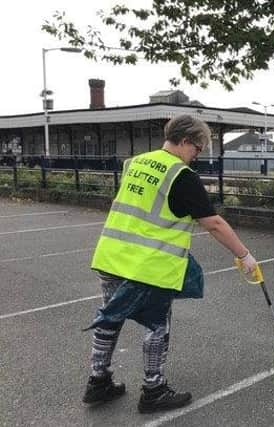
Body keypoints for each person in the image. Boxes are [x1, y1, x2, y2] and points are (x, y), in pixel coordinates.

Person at [82, 115, 258, 412]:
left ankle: (98, 382)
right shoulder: (181, 175)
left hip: (112, 257)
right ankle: (153, 390)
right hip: (149, 267)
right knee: (156, 326)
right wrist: (244, 255)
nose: (197, 156)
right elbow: (213, 222)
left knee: (110, 319)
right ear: (185, 141)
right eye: (198, 149)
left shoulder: (134, 163)